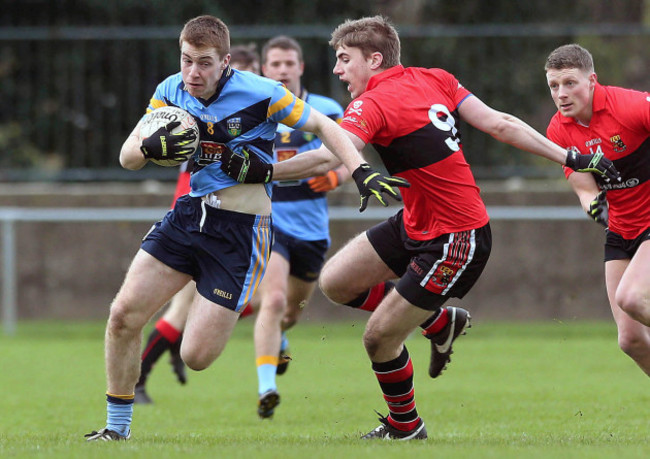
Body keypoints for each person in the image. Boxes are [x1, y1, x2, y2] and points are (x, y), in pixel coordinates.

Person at [219, 15, 620, 441]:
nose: (337, 70)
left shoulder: (371, 104)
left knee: (377, 340)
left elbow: (326, 158)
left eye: (343, 59)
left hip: (456, 238)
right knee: (335, 282)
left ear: (374, 59)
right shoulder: (435, 78)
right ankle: (437, 323)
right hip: (416, 222)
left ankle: (405, 426)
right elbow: (501, 124)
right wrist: (569, 156)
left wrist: (260, 171)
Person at [85, 15, 405, 442]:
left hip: (242, 232)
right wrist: (147, 146)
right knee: (123, 315)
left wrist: (359, 169)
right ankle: (116, 430)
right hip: (189, 217)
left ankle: (238, 315)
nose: (193, 73)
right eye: (186, 61)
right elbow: (127, 157)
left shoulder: (262, 93)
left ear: (226, 62)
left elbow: (324, 126)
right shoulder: (170, 91)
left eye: (204, 63)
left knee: (196, 356)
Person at [133, 44, 263, 406]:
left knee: (253, 301)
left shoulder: (255, 112)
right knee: (179, 310)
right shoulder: (197, 115)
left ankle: (175, 348)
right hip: (199, 223)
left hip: (236, 225)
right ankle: (140, 378)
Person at [253, 35, 349, 419]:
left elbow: (349, 154)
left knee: (290, 311)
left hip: (312, 229)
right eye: (275, 64)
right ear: (264, 69)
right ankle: (266, 388)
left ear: (301, 68)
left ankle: (282, 337)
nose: (282, 70)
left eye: (289, 64)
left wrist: (336, 178)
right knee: (272, 301)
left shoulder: (325, 109)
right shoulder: (254, 110)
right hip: (269, 223)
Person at [545, 44, 650, 378]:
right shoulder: (558, 131)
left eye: (570, 83)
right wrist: (594, 206)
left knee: (632, 298)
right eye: (553, 86)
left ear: (592, 81)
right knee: (630, 340)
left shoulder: (631, 106)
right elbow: (585, 187)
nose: (561, 94)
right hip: (620, 230)